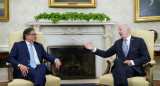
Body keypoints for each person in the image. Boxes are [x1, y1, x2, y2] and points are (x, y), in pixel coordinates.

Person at [84, 24, 150, 86]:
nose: (119, 31)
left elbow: (146, 57)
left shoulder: (139, 41)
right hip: (120, 68)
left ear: (128, 30)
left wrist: (132, 62)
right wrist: (93, 49)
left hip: (133, 69)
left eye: (120, 29)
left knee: (116, 70)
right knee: (118, 61)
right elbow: (106, 54)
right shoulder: (118, 43)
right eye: (118, 30)